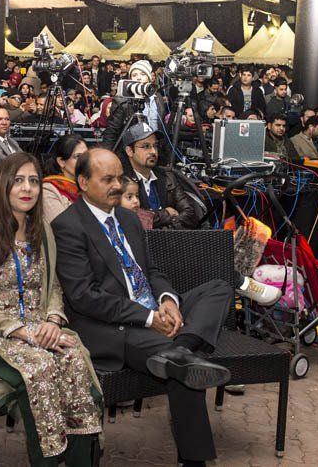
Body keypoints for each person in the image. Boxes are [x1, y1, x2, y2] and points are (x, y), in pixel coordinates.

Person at [51, 148, 232, 467]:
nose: (117, 186)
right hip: (114, 326)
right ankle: (195, 461)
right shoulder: (68, 226)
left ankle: (183, 346)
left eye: (119, 178)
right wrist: (148, 318)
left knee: (219, 288)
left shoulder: (127, 218)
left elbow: (151, 271)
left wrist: (168, 301)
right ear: (83, 182)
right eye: (107, 179)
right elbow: (84, 297)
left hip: (152, 312)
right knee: (185, 370)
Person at [0, 152, 102, 465]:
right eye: (18, 181)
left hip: (35, 326)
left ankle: (82, 460)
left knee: (73, 359)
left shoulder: (40, 229)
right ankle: (48, 460)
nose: (27, 188)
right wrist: (24, 332)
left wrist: (53, 320)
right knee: (39, 368)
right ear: (2, 185)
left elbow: (52, 285)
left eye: (33, 181)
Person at [120, 123, 199, 229]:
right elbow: (132, 219)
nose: (153, 151)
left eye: (155, 146)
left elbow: (190, 215)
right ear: (129, 151)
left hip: (172, 238)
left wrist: (163, 228)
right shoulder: (122, 181)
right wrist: (166, 213)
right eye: (146, 146)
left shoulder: (168, 177)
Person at [102, 60, 167, 151]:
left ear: (149, 77)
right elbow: (112, 131)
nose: (138, 78)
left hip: (155, 148)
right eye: (134, 75)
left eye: (143, 74)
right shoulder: (123, 100)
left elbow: (161, 126)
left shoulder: (157, 97)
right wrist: (108, 154)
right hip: (131, 150)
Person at [42, 135, 88, 222]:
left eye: (86, 156)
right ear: (61, 162)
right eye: (78, 156)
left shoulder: (89, 185)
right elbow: (63, 225)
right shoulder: (48, 190)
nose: (84, 161)